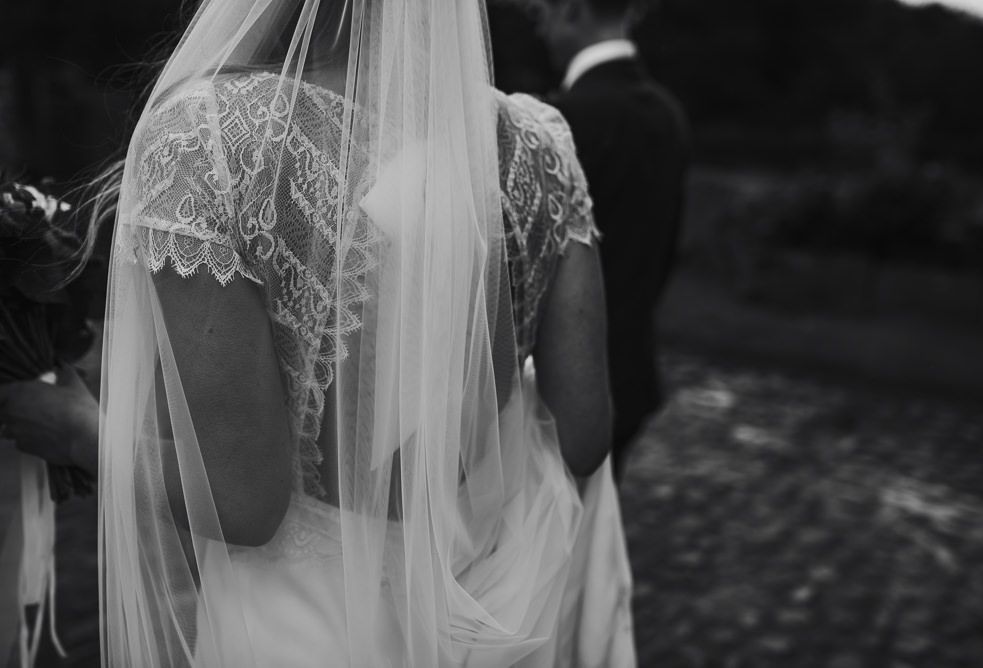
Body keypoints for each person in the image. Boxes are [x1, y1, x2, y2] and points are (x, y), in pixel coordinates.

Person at [85, 0, 636, 665]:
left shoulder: (209, 138)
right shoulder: (535, 142)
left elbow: (243, 505)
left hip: (307, 626)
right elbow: (584, 434)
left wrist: (74, 428)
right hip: (495, 603)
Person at [537, 0, 691, 480]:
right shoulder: (668, 114)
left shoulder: (558, 122)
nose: (541, 29)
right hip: (630, 375)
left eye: (542, 12)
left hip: (557, 391)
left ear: (571, 10)